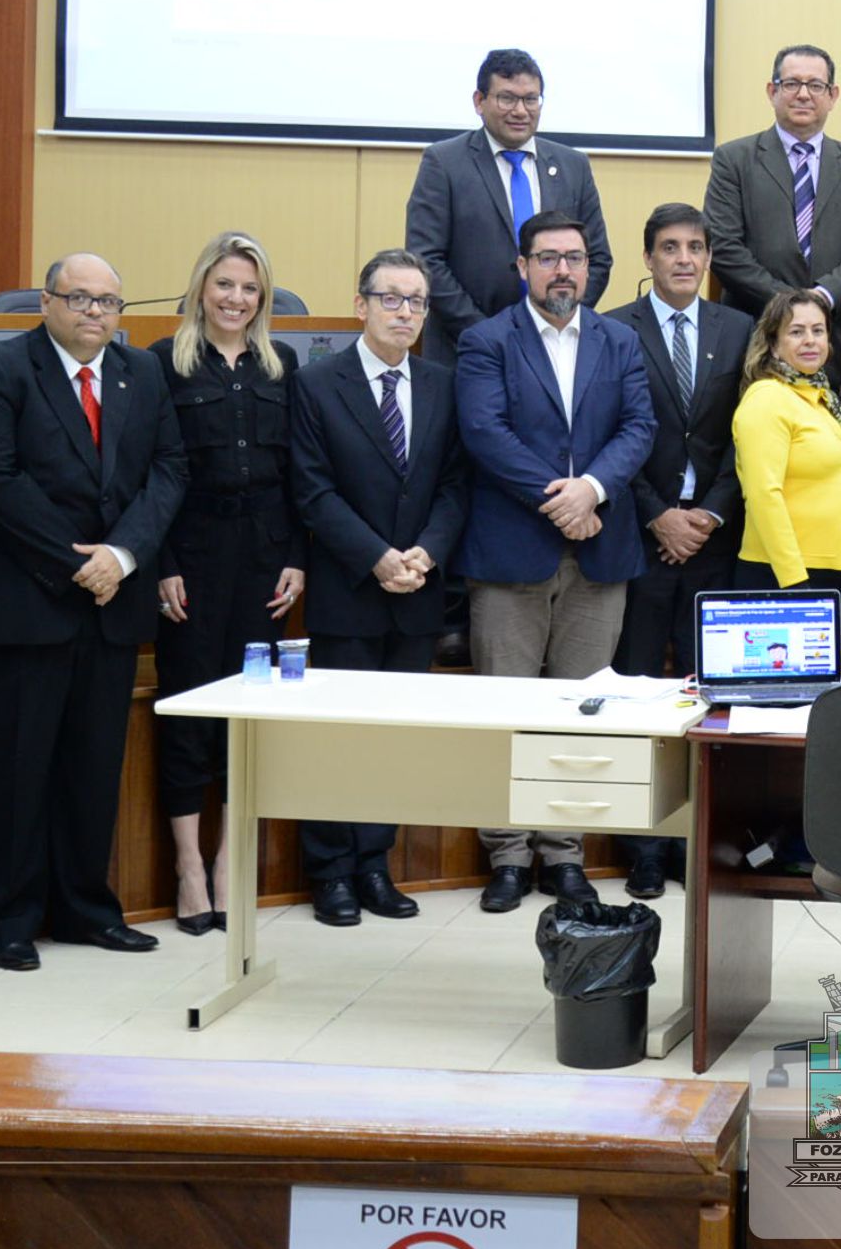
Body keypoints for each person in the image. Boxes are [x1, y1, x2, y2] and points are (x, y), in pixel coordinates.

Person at [0, 252, 187, 969]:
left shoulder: (142, 371)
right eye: (79, 298)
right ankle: (5, 921)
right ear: (46, 302)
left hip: (111, 605)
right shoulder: (0, 369)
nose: (94, 312)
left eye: (107, 302)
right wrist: (78, 563)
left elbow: (169, 470)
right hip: (25, 606)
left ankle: (85, 909)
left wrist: (122, 556)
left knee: (92, 770)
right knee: (13, 772)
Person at [457, 211, 655, 911]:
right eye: (548, 258)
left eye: (574, 258)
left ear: (589, 268)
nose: (562, 270)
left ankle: (565, 853)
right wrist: (563, 499)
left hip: (599, 553)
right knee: (506, 711)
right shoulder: (486, 340)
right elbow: (485, 432)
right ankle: (508, 855)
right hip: (511, 552)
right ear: (523, 267)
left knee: (581, 713)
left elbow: (639, 427)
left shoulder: (619, 340)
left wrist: (592, 489)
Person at [287, 249, 468, 928]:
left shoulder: (443, 383)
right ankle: (330, 871)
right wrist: (377, 558)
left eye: (416, 301)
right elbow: (312, 490)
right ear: (360, 304)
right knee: (337, 738)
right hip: (349, 590)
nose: (404, 312)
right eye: (391, 298)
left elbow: (455, 485)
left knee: (393, 740)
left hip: (419, 590)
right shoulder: (316, 384)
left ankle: (373, 865)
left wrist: (427, 551)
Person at [148, 232, 308, 935]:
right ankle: (187, 866)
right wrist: (160, 564)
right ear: (200, 289)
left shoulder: (281, 365)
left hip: (264, 565)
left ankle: (226, 864)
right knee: (188, 713)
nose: (235, 299)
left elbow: (298, 474)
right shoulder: (162, 362)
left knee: (246, 718)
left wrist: (297, 557)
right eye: (224, 285)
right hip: (190, 562)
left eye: (249, 288)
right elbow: (151, 472)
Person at [608, 202, 748, 900]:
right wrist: (658, 515)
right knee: (638, 693)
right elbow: (606, 433)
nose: (684, 259)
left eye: (695, 247)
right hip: (639, 539)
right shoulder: (613, 329)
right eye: (670, 247)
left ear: (709, 257)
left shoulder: (740, 330)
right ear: (648, 258)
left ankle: (698, 840)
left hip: (713, 543)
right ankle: (641, 847)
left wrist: (708, 514)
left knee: (708, 700)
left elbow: (746, 437)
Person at [405, 47, 611, 356]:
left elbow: (598, 258)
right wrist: (487, 335)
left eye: (531, 99)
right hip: (468, 349)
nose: (520, 111)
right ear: (479, 101)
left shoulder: (573, 166)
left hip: (555, 348)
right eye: (507, 98)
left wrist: (561, 319)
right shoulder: (444, 163)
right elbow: (425, 260)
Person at [705, 45, 841, 369]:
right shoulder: (733, 160)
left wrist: (822, 298)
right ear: (772, 91)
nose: (803, 94)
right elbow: (723, 246)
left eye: (815, 85)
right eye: (791, 84)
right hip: (755, 335)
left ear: (832, 95)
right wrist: (788, 305)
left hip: (836, 342)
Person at [729, 289, 841, 617]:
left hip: (829, 572)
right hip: (785, 575)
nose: (810, 341)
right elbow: (763, 495)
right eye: (796, 331)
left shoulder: (820, 398)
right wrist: (794, 582)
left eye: (818, 331)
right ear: (773, 343)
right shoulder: (767, 397)